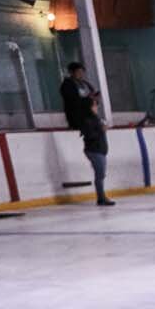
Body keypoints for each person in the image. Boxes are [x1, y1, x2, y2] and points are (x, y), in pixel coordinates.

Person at [59, 63, 114, 206]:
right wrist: (100, 129)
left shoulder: (86, 86)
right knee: (100, 174)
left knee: (101, 174)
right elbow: (73, 102)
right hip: (92, 143)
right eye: (78, 72)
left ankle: (101, 197)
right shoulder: (68, 86)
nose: (80, 74)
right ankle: (101, 197)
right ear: (72, 72)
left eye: (82, 71)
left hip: (98, 147)